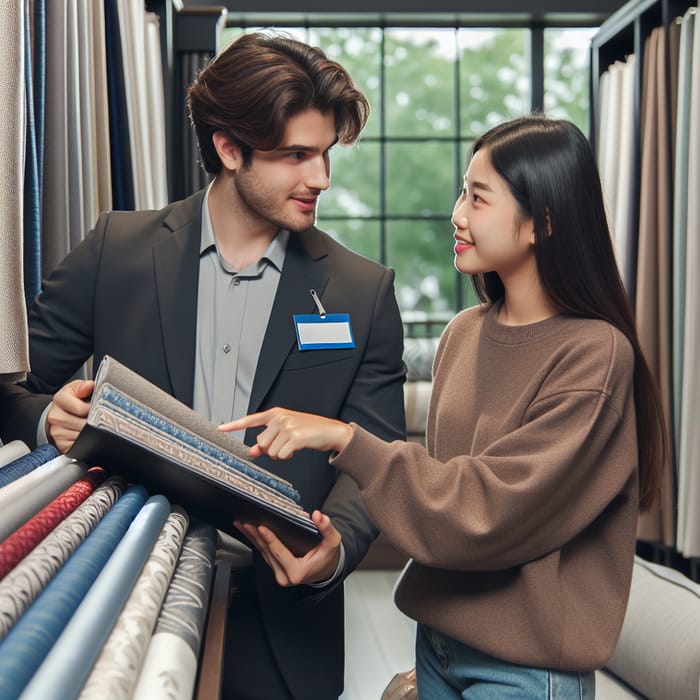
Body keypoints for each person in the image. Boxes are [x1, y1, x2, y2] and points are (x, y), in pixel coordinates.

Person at [0, 32, 406, 700]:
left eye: (326, 154)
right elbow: (16, 387)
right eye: (296, 156)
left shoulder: (361, 291)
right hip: (117, 607)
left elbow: (379, 453)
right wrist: (49, 416)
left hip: (281, 629)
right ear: (227, 147)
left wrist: (338, 550)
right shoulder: (116, 250)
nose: (321, 179)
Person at [220, 114, 667, 699]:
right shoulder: (463, 333)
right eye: (462, 190)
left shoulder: (595, 355)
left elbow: (488, 510)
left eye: (478, 198)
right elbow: (439, 496)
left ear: (543, 223)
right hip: (436, 648)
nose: (456, 214)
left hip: (524, 673)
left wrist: (346, 440)